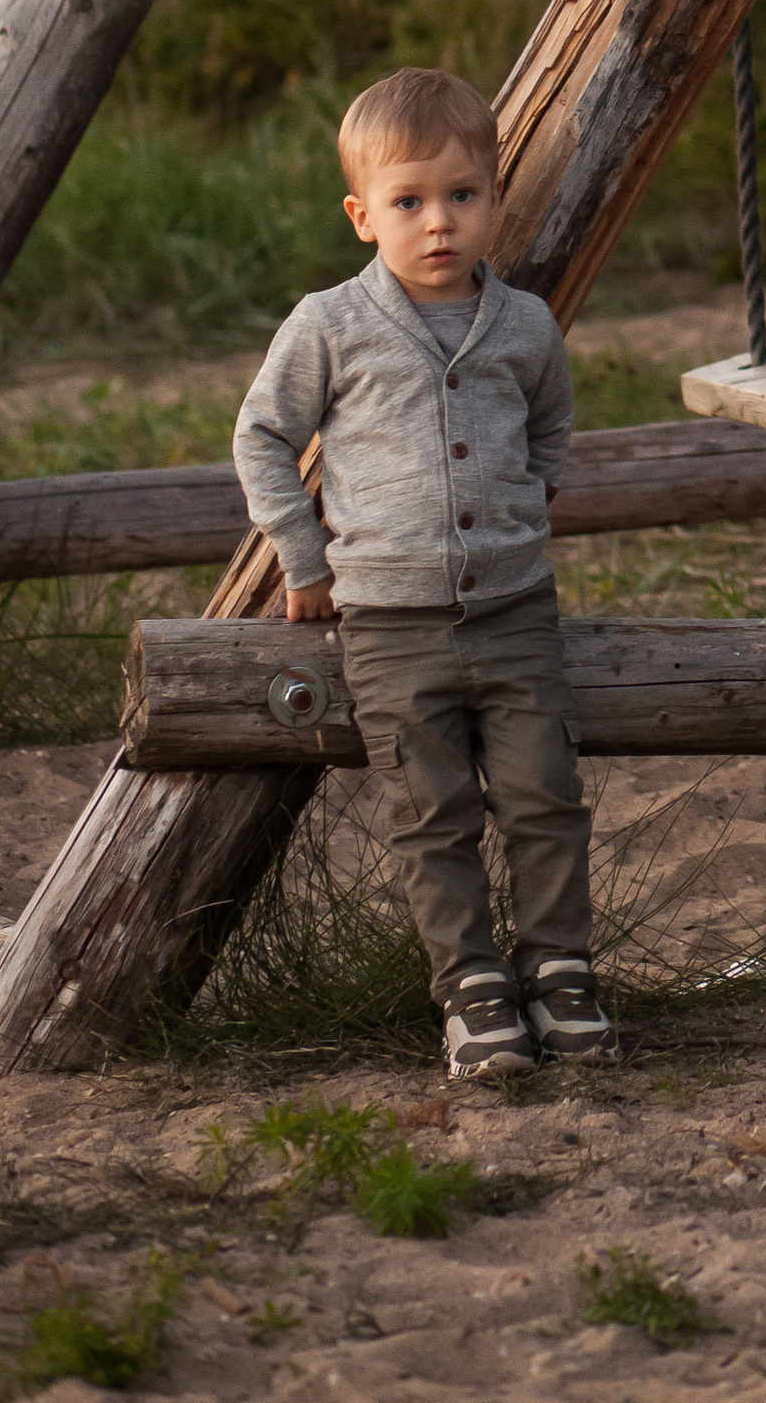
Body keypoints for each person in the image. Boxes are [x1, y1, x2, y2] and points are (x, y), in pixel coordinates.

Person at [232, 66, 615, 1081]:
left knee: (543, 795)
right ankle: (472, 990)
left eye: (460, 196)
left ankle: (560, 971)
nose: (436, 222)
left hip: (515, 607)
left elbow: (551, 427)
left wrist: (530, 510)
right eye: (407, 202)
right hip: (391, 620)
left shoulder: (525, 325)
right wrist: (302, 558)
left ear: (492, 199)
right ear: (363, 215)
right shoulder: (331, 325)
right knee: (431, 810)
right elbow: (264, 436)